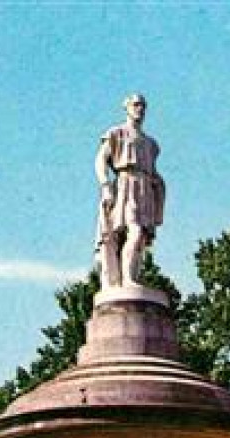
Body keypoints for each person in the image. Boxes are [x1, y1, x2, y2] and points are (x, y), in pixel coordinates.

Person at [94, 92, 166, 290]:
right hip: (126, 185)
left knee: (140, 236)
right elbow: (101, 160)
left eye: (143, 105)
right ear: (126, 107)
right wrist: (105, 185)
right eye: (135, 104)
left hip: (145, 189)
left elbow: (152, 170)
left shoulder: (150, 143)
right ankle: (127, 279)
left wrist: (158, 186)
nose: (140, 109)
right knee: (133, 231)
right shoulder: (116, 133)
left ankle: (131, 276)